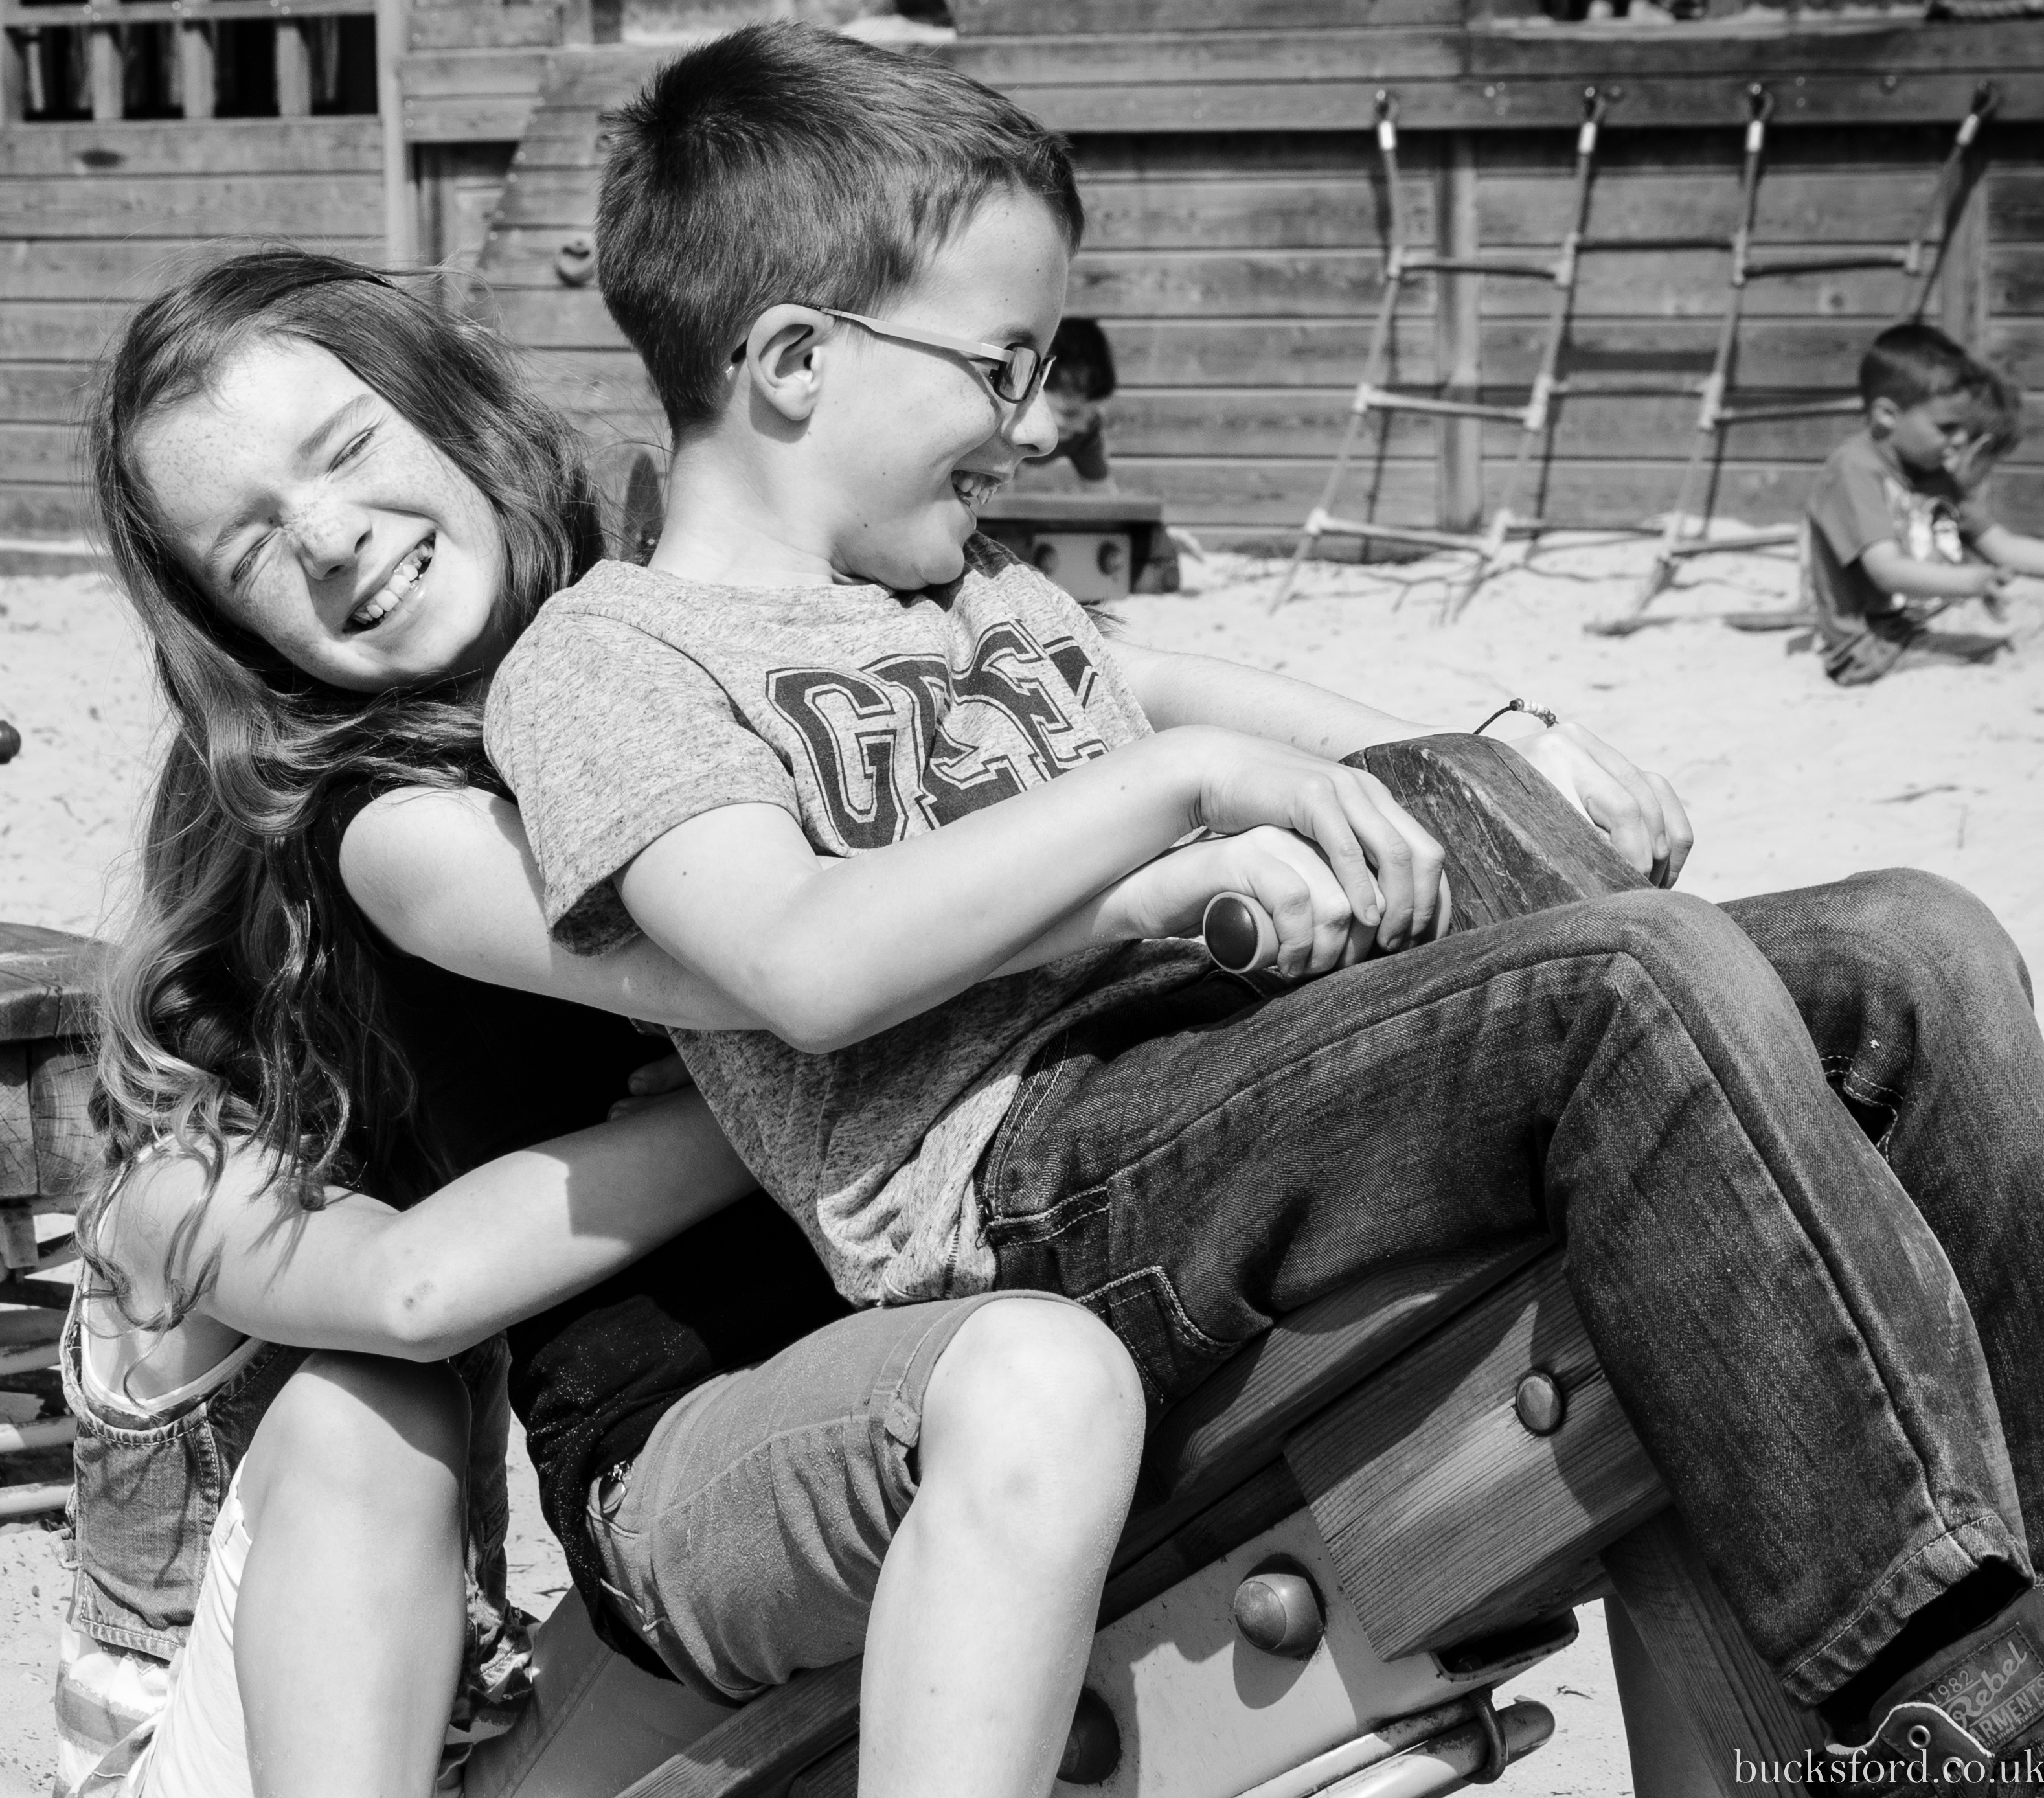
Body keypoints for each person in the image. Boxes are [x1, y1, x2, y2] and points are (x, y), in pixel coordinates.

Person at [482, 23, 2044, 1777]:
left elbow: (1188, 698)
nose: (1029, 420)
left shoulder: (980, 600)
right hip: (1020, 1173)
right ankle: (1959, 1696)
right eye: (999, 367)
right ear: (790, 360)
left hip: (1232, 1076)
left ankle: (2027, 1560)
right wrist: (1175, 804)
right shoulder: (616, 659)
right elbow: (801, 959)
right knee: (1632, 981)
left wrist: (1475, 748)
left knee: (1914, 949)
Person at [62, 247, 1147, 1798]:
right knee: (370, 1409)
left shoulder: (550, 772)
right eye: (249, 554)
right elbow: (419, 1288)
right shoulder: (170, 1181)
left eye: (352, 447)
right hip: (209, 1757)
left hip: (453, 1711)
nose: (327, 538)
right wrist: (761, 1097)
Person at [1802, 321, 2044, 685]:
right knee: (1999, 653)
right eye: (1947, 428)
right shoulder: (1855, 469)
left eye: (1964, 428)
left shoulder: (1929, 474)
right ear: (1887, 415)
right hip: (1869, 647)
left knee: (2020, 637)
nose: (1960, 440)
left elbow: (2003, 546)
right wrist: (1971, 582)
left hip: (1920, 625)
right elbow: (1886, 571)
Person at [1036, 316, 1117, 490]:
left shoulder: (1083, 431)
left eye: (1092, 415)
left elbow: (1103, 496)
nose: (1082, 427)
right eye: (1070, 413)